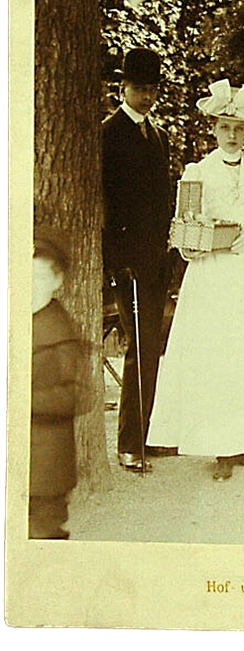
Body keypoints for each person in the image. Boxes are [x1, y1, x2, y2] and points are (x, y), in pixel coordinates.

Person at [146, 80, 244, 481]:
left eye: (239, 127)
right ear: (214, 128)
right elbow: (184, 229)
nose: (232, 134)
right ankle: (219, 446)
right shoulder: (197, 172)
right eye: (224, 127)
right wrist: (196, 243)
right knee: (215, 354)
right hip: (212, 274)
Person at [101, 47, 174, 472]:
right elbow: (107, 202)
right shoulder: (109, 134)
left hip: (156, 258)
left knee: (153, 345)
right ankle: (130, 442)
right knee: (138, 347)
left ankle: (149, 433)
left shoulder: (159, 136)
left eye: (151, 90)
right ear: (122, 88)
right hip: (127, 259)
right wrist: (117, 258)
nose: (146, 97)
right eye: (139, 89)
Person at [30, 225, 84, 539]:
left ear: (57, 281)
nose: (30, 287)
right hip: (24, 460)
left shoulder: (60, 332)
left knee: (43, 539)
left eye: (39, 279)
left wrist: (22, 398)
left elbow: (74, 396)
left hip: (47, 468)